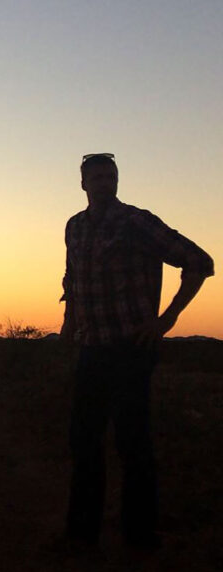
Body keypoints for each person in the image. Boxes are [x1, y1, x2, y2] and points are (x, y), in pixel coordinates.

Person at [60, 153, 214, 551]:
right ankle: (81, 535)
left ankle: (140, 537)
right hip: (92, 348)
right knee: (84, 442)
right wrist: (69, 321)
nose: (103, 182)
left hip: (132, 348)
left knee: (133, 444)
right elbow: (73, 276)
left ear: (117, 180)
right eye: (95, 177)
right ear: (83, 184)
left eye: (109, 176)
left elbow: (199, 261)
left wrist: (167, 320)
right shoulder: (74, 227)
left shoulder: (136, 222)